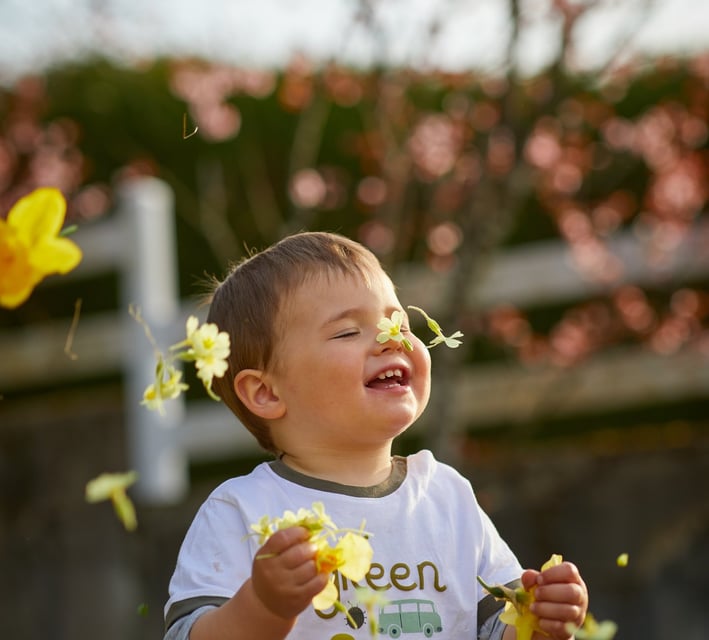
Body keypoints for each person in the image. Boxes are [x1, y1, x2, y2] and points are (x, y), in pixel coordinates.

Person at [163, 231, 588, 640]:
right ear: (267, 392)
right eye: (348, 331)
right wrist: (263, 606)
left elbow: (496, 629)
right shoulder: (242, 511)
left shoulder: (446, 496)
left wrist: (542, 621)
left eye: (399, 325)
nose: (391, 341)